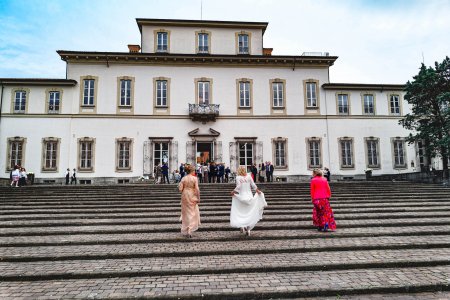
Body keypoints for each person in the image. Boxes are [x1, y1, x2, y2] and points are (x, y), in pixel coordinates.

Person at [230, 166, 267, 236]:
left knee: (242, 211)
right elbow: (253, 185)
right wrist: (258, 191)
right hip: (249, 196)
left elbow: (238, 187)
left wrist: (233, 192)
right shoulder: (249, 176)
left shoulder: (238, 177)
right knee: (249, 212)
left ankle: (241, 225)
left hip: (242, 196)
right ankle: (248, 229)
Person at [178, 164, 201, 238]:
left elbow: (180, 189)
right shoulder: (195, 178)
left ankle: (187, 227)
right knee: (193, 212)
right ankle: (189, 230)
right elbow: (197, 189)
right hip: (192, 194)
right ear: (192, 171)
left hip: (185, 195)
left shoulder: (183, 178)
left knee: (186, 213)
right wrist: (198, 198)